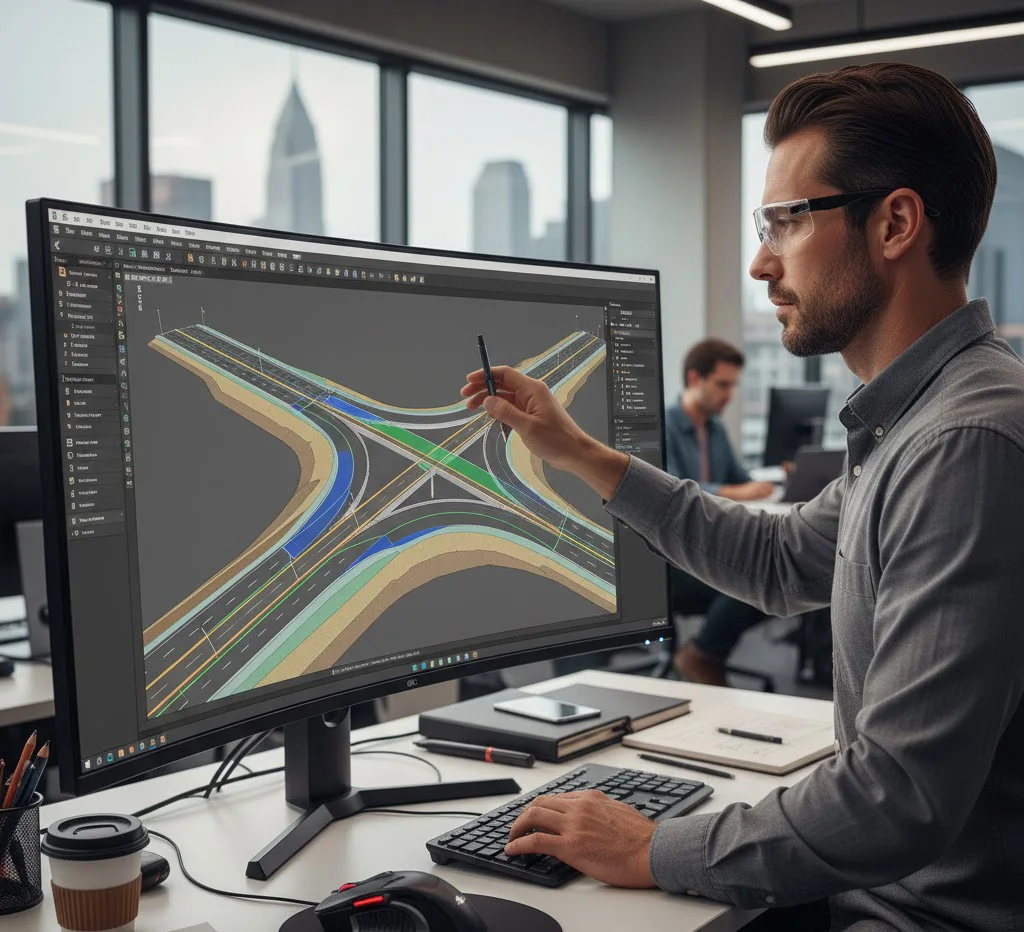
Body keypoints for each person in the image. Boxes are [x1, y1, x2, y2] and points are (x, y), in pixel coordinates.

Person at [462, 62, 1024, 931]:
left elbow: (896, 798)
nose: (762, 261)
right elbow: (782, 558)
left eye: (785, 222)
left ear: (896, 223)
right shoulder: (923, 421)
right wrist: (575, 453)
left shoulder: (963, 442)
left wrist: (652, 846)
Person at [666, 338, 773, 685]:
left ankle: (704, 652)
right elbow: (672, 489)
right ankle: (703, 656)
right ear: (695, 379)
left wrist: (764, 486)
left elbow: (740, 478)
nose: (729, 395)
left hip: (710, 546)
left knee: (777, 578)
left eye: (733, 386)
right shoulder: (664, 424)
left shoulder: (714, 428)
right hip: (672, 559)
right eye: (722, 384)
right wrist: (738, 491)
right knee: (752, 581)